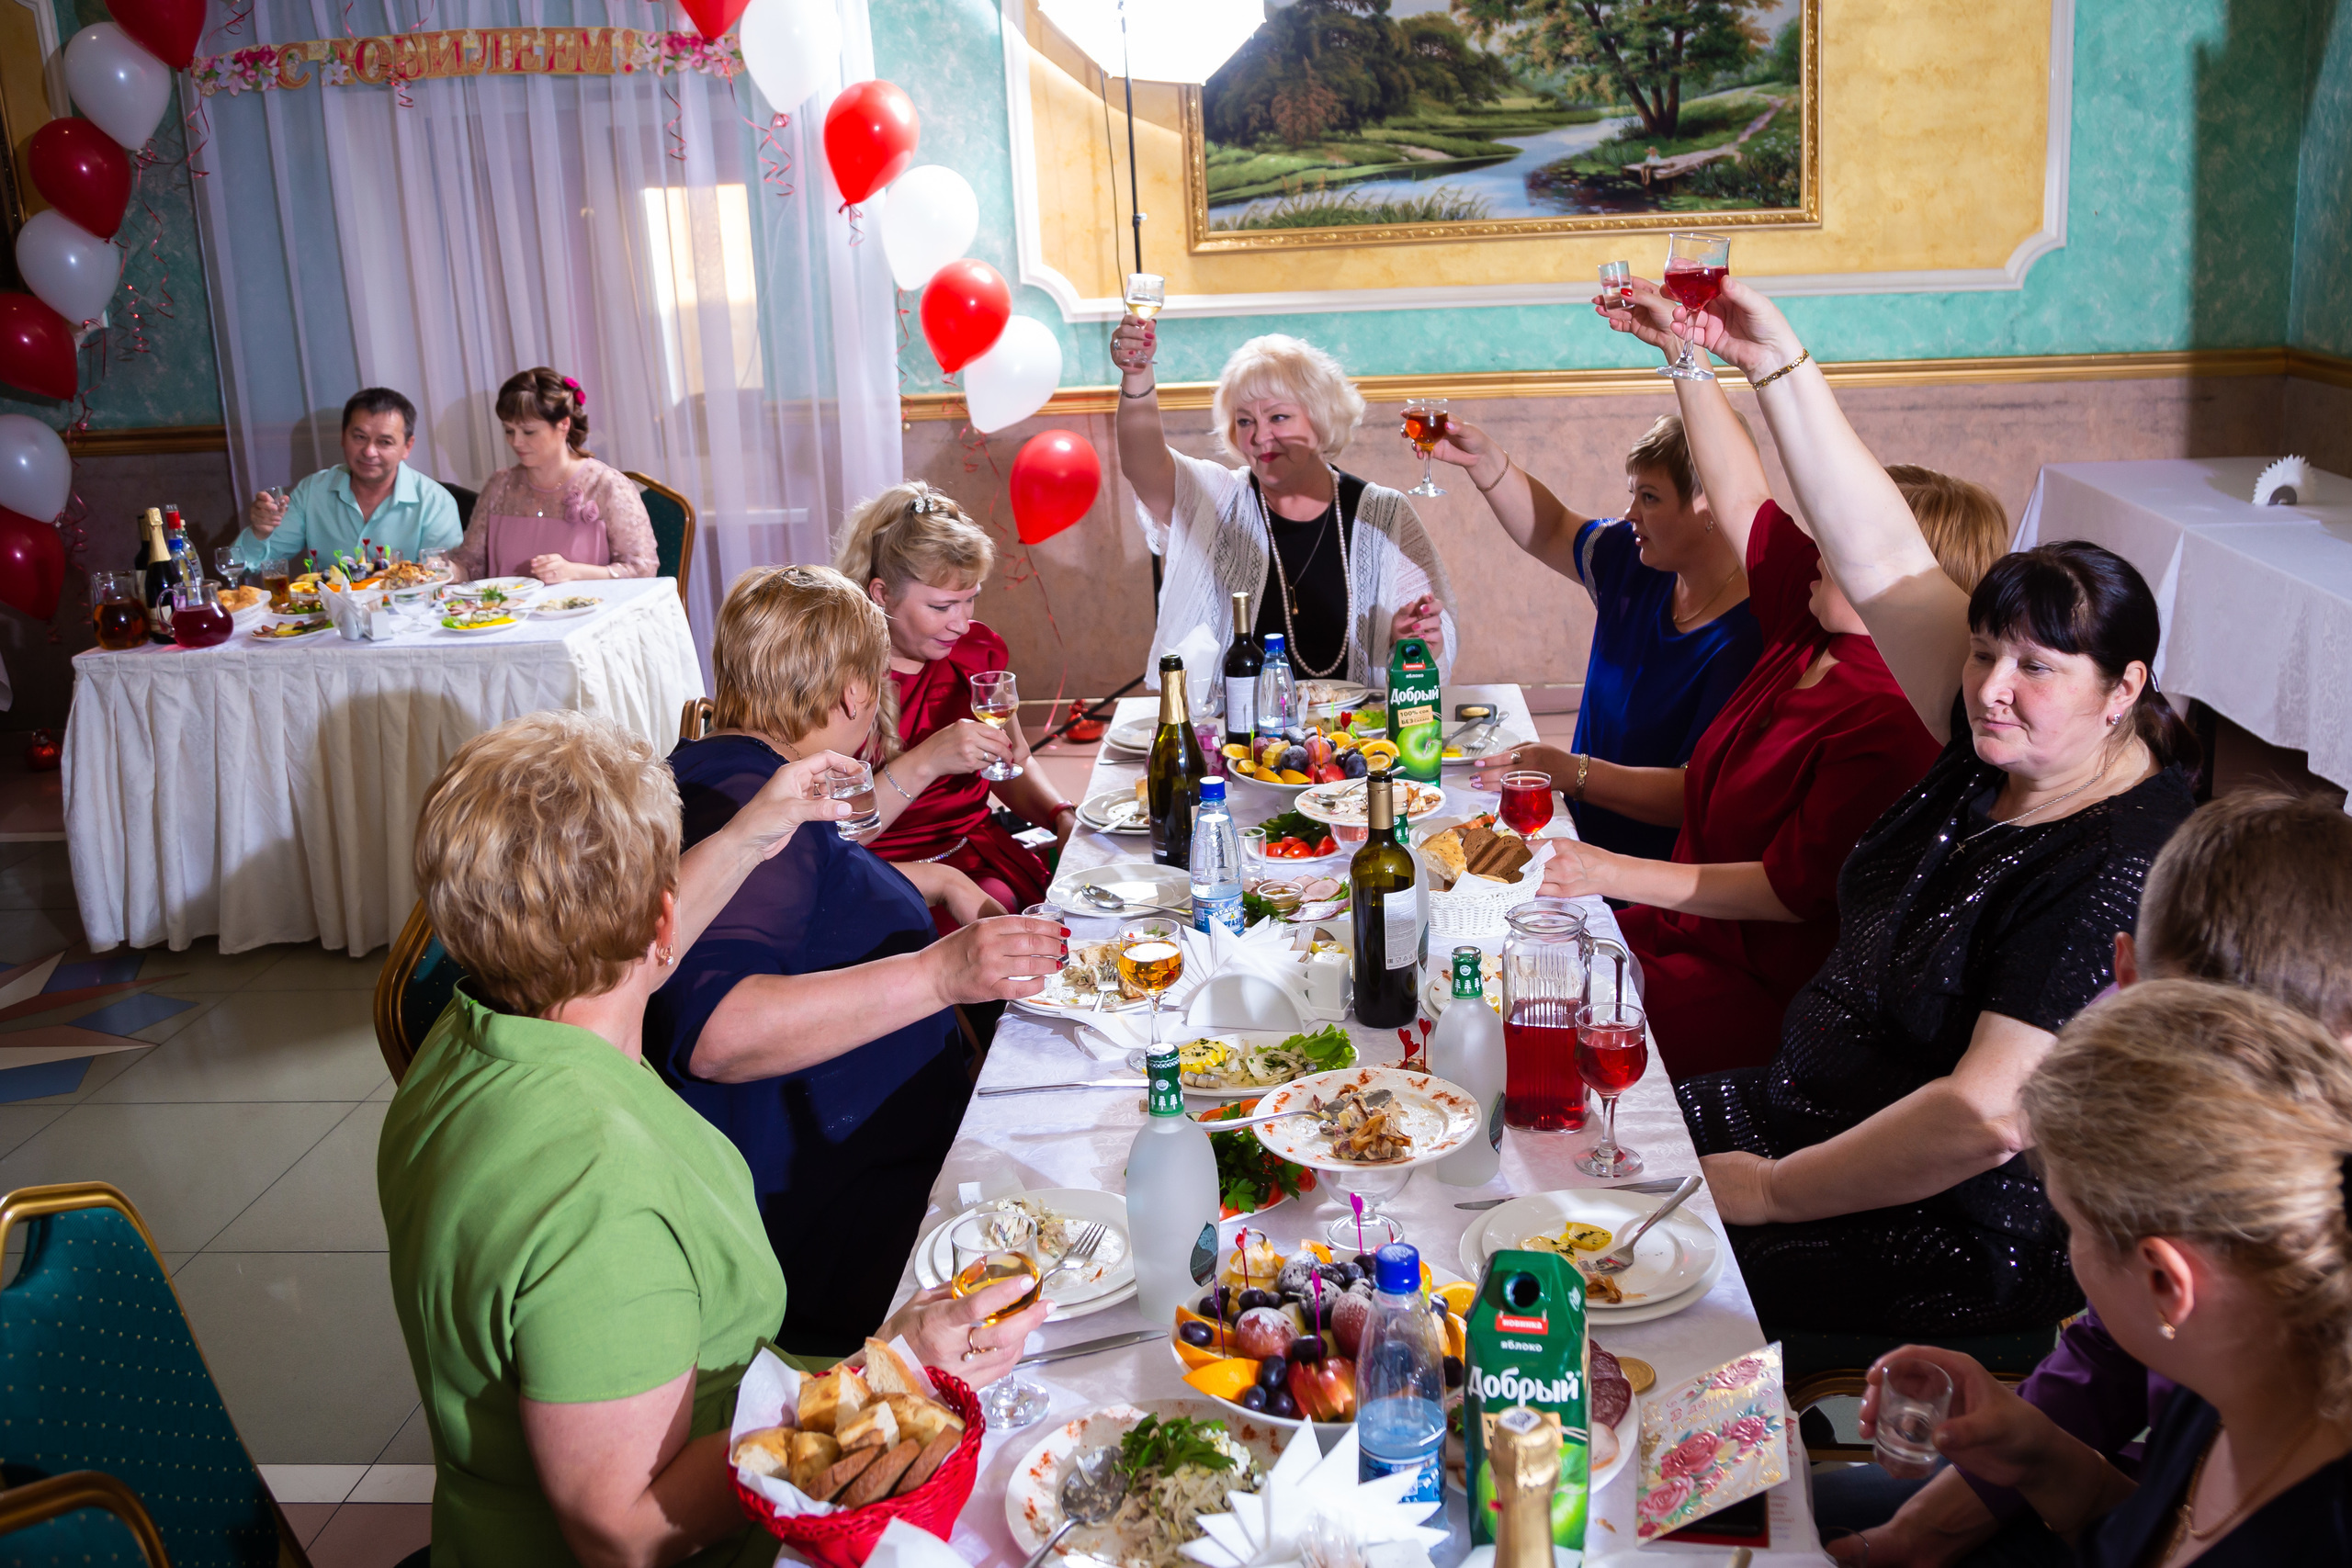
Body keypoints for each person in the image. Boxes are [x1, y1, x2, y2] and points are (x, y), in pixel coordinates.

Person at [1656, 275, 2199, 1337]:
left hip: (1931, 1220)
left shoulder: (2119, 859)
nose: (1992, 684)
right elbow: (1882, 549)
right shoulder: (1997, 741)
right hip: (1801, 1114)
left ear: (2122, 690)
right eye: (1986, 651)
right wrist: (1772, 360)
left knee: (1632, 1285)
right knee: (1574, 1140)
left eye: (2036, 666)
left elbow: (1986, 1116)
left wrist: (1767, 1191)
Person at [381, 710, 1048, 1567]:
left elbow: (629, 940)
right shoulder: (598, 1189)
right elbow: (623, 1529)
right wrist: (892, 1364)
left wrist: (750, 831)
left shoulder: (468, 1034)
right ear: (661, 922)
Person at [1822, 788, 2352, 1568]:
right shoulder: (2233, 1353)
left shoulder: (2228, 1340)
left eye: (2070, 1226)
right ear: (2128, 976)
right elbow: (2140, 1523)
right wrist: (2030, 1455)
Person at [1476, 304, 2007, 1077]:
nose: (1817, 541)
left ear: (1899, 579)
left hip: (1752, 992)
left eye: (1839, 536)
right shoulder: (1811, 624)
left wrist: (1608, 870)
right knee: (1487, 977)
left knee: (1516, 1038)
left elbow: (1789, 895)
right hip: (1674, 934)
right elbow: (1742, 497)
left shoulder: (1896, 715)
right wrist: (1685, 355)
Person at [646, 565, 1067, 1358]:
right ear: (852, 694)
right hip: (839, 1215)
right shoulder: (749, 803)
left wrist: (937, 877)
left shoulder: (731, 768)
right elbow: (717, 1030)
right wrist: (942, 973)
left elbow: (819, 897)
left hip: (871, 1155)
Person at [1432, 412, 1762, 860]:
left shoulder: (1753, 631)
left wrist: (1572, 772)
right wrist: (1486, 461)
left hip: (1659, 879)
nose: (1630, 515)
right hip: (1579, 841)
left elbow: (1692, 796)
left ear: (1713, 504)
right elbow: (1549, 528)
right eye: (1633, 494)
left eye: (1649, 498)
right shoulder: (1636, 558)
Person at [1110, 320, 1457, 692]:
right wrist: (1137, 375)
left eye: (1278, 416)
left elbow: (1430, 639)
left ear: (1320, 419)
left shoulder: (1384, 513)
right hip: (1241, 743)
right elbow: (1144, 465)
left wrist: (1412, 640)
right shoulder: (1219, 500)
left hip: (1357, 740)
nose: (1260, 437)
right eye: (1245, 421)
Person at [832, 483, 1080, 916]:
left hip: (975, 854)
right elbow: (839, 833)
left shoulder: (976, 653)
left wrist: (1058, 814)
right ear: (881, 595)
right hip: (875, 874)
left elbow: (1009, 767)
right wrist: (930, 757)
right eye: (942, 607)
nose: (962, 624)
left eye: (971, 601)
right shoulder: (837, 680)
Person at [448, 367, 658, 583]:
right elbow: (471, 564)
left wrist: (575, 572)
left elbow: (642, 568)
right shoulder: (500, 485)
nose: (516, 442)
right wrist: (440, 571)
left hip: (588, 613)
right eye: (509, 431)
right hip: (509, 616)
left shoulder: (606, 486)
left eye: (528, 431)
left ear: (563, 424)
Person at [231, 387, 460, 568]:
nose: (369, 451)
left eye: (385, 442)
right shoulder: (313, 492)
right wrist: (260, 532)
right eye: (359, 437)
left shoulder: (436, 503)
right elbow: (246, 564)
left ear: (407, 447)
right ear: (343, 436)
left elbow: (443, 579)